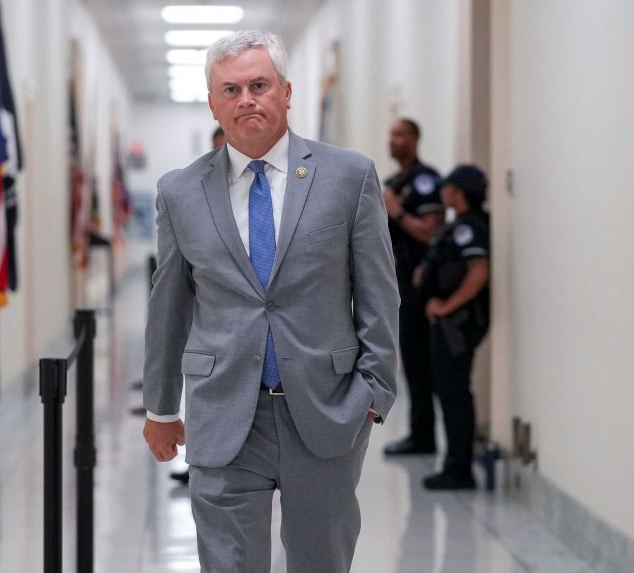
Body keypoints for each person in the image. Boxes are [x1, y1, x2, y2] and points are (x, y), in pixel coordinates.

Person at [143, 30, 399, 573]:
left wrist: (374, 392)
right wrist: (161, 409)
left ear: (286, 93)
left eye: (259, 85)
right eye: (230, 90)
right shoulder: (180, 192)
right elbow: (168, 309)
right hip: (224, 413)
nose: (246, 100)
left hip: (326, 410)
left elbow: (380, 295)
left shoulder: (349, 177)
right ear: (213, 103)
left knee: (320, 561)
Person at [417, 165, 490, 490]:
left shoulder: (469, 228)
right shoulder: (458, 226)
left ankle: (459, 469)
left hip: (457, 325)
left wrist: (447, 306)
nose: (442, 190)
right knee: (448, 391)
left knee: (455, 393)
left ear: (458, 192)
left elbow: (478, 272)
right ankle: (455, 465)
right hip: (447, 324)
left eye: (448, 186)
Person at [381, 118, 446, 456]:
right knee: (411, 359)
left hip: (424, 284)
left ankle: (426, 436)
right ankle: (420, 434)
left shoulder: (424, 181)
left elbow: (432, 231)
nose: (394, 140)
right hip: (400, 282)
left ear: (415, 139)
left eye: (401, 135)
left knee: (425, 361)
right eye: (391, 134)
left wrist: (397, 211)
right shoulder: (394, 181)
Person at [170, 124, 227, 486]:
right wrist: (160, 410)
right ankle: (204, 461)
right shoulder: (188, 194)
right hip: (214, 348)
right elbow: (170, 303)